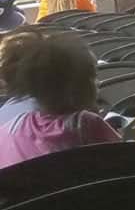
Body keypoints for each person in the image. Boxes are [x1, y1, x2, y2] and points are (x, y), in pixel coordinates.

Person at [0, 30, 118, 167]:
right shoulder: (85, 123)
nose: (98, 83)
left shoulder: (12, 127)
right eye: (92, 77)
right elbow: (127, 159)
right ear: (79, 88)